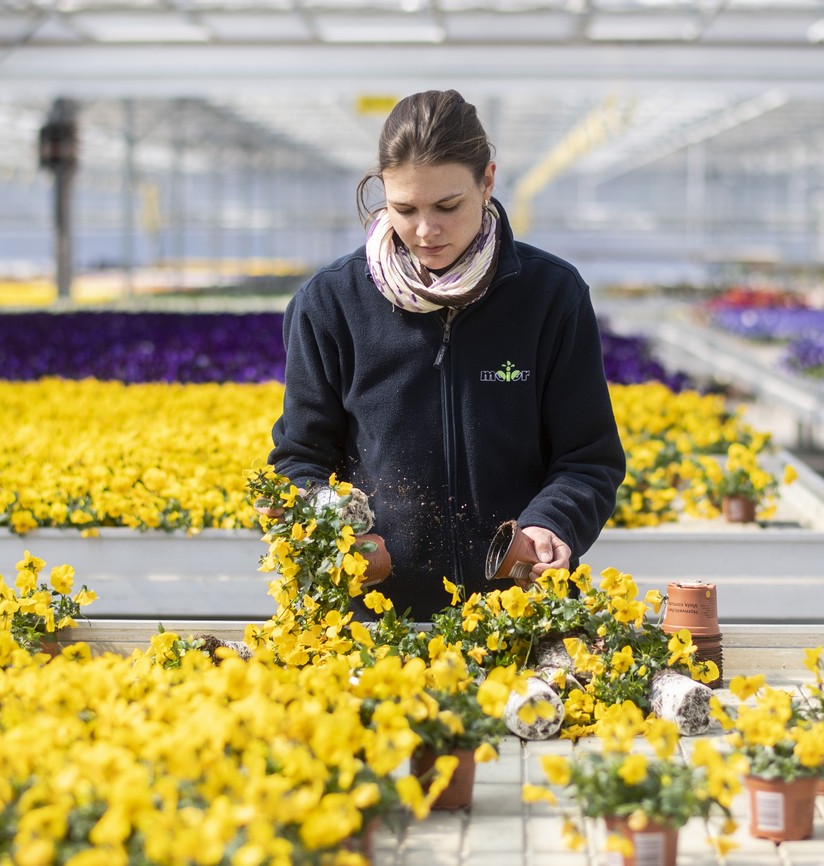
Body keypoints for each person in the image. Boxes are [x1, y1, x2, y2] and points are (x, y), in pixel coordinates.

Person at [268, 89, 625, 620]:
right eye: (404, 209)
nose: (425, 230)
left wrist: (551, 523)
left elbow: (587, 458)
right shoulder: (331, 304)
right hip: (375, 624)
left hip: (520, 618)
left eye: (447, 206)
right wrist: (336, 530)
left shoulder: (550, 296)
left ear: (487, 181)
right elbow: (300, 460)